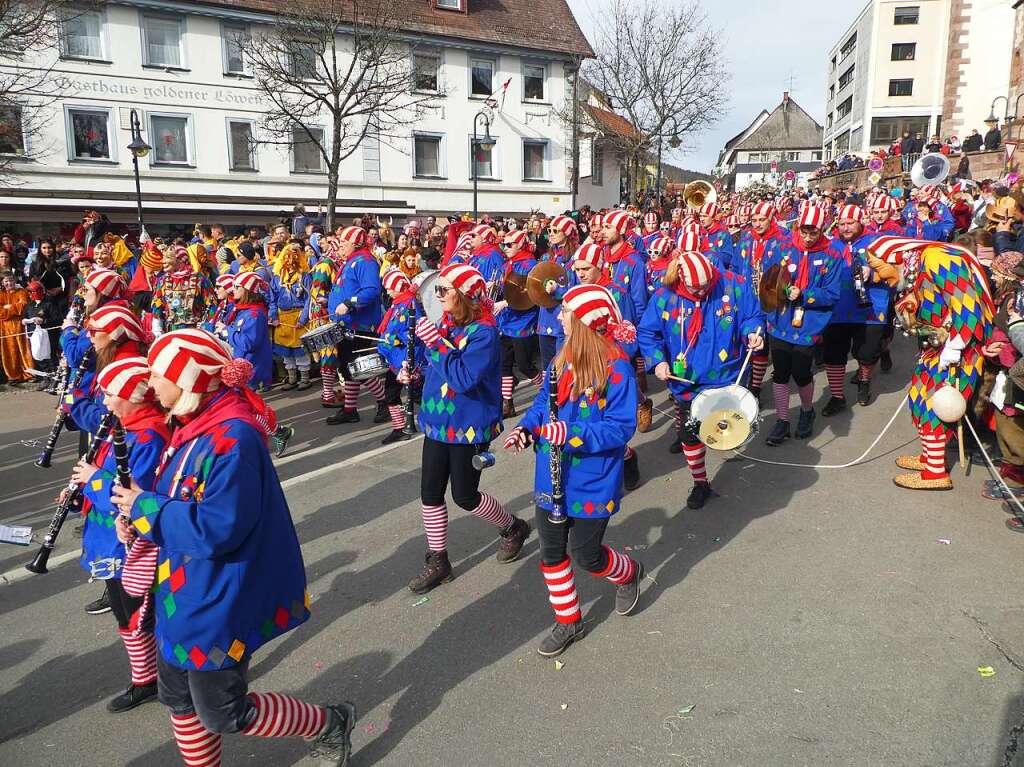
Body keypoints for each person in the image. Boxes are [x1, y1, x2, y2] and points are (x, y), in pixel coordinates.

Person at [110, 329, 357, 767]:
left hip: (217, 594)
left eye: (158, 373)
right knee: (177, 696)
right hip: (180, 587)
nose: (150, 383)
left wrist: (145, 508)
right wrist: (139, 523)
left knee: (223, 709)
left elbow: (218, 527)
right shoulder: (192, 424)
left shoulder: (233, 438)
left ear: (189, 380)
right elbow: (179, 498)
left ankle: (329, 722)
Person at [504, 283, 644, 657]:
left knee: (587, 555)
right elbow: (541, 407)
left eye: (566, 312)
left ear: (584, 322)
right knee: (551, 553)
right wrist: (524, 429)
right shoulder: (560, 360)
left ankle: (629, 572)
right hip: (552, 476)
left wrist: (572, 433)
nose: (559, 316)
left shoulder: (617, 369)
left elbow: (619, 427)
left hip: (592, 479)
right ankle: (569, 621)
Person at [406, 263, 531, 594]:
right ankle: (438, 560)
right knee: (430, 493)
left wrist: (435, 345)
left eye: (444, 290)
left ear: (464, 296)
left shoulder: (484, 333)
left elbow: (462, 378)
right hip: (436, 422)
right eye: (438, 289)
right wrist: (412, 372)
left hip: (468, 426)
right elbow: (435, 365)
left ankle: (513, 527)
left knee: (465, 496)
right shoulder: (445, 324)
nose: (438, 295)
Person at [73, 356, 167, 713]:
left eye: (112, 394)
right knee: (124, 611)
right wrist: (79, 487)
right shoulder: (123, 426)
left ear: (135, 395)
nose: (106, 402)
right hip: (106, 536)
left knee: (139, 611)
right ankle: (146, 676)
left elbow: (129, 495)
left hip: (128, 540)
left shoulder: (149, 435)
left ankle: (152, 678)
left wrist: (92, 478)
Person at [638, 246, 763, 509]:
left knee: (731, 425)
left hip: (727, 374)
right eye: (696, 288)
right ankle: (700, 482)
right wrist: (658, 361)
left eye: (707, 284)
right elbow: (648, 333)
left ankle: (731, 445)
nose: (702, 291)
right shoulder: (665, 295)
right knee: (689, 434)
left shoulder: (733, 284)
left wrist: (752, 332)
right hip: (686, 380)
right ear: (682, 279)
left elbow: (751, 315)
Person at [865, 237, 993, 490]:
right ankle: (930, 458)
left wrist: (956, 345)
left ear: (895, 258)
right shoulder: (919, 264)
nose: (878, 277)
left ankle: (935, 474)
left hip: (959, 349)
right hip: (937, 345)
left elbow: (967, 304)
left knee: (936, 404)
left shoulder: (937, 258)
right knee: (918, 398)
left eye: (879, 268)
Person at [762, 205, 842, 445]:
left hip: (809, 323)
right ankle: (783, 420)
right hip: (780, 319)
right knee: (781, 372)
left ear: (821, 230)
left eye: (813, 233)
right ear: (797, 227)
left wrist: (805, 295)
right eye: (804, 232)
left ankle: (807, 410)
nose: (807, 239)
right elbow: (769, 280)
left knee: (801, 372)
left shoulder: (833, 254)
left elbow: (832, 294)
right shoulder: (782, 247)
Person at [822, 204, 893, 412]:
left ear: (860, 222)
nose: (845, 228)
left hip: (870, 307)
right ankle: (837, 396)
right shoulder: (830, 245)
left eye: (850, 223)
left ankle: (864, 380)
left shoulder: (877, 242)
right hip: (838, 308)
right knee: (834, 354)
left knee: (867, 352)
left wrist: (872, 273)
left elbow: (895, 271)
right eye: (842, 224)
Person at [326, 226, 387, 426]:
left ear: (355, 243)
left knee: (360, 369)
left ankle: (385, 402)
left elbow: (371, 290)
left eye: (343, 242)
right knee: (347, 368)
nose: (340, 246)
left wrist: (349, 303)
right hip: (347, 324)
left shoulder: (365, 262)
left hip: (359, 325)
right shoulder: (352, 261)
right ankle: (350, 409)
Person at [735, 202, 788, 399]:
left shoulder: (783, 238)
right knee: (754, 341)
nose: (757, 224)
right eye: (754, 220)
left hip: (774, 299)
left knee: (772, 341)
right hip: (749, 298)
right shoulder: (746, 238)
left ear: (771, 218)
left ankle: (761, 383)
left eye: (761, 220)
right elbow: (735, 265)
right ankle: (753, 385)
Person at [494, 229, 540, 417]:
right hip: (507, 319)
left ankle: (547, 390)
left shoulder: (530, 264)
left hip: (523, 320)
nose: (506, 248)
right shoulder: (509, 264)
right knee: (504, 363)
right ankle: (507, 403)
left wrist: (505, 302)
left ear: (521, 244)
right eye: (504, 244)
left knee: (524, 365)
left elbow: (529, 293)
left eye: (510, 244)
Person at [376, 269, 423, 444]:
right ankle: (399, 427)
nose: (387, 291)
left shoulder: (410, 304)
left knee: (418, 394)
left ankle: (439, 418)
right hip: (395, 358)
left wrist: (396, 338)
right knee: (391, 393)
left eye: (389, 288)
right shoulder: (398, 303)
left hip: (407, 358)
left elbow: (417, 331)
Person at [268, 243, 313, 391]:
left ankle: (305, 379)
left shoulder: (305, 276)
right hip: (282, 318)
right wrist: (273, 316)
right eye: (287, 257)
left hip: (298, 316)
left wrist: (303, 318)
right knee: (286, 352)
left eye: (294, 257)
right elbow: (272, 299)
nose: (290, 261)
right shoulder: (277, 277)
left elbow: (309, 299)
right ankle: (292, 378)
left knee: (300, 351)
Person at [537, 215, 578, 372]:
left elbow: (577, 290)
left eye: (556, 230)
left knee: (562, 367)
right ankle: (548, 396)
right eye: (549, 230)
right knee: (547, 368)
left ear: (567, 233)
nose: (551, 234)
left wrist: (558, 290)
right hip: (545, 318)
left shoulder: (575, 258)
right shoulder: (547, 257)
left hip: (562, 319)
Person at [0, 272, 32, 384]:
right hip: (5, 328)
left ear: (15, 281)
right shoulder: (1, 294)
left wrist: (8, 308)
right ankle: (13, 376)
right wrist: (14, 309)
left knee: (24, 349)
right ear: (2, 283)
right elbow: (1, 313)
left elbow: (23, 306)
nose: (9, 283)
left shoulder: (22, 292)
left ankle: (29, 374)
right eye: (6, 281)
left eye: (11, 280)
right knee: (9, 350)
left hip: (20, 325)